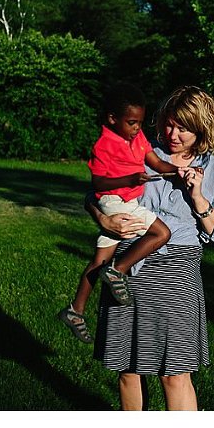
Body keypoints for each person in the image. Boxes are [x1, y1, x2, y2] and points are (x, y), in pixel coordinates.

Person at [87, 85, 214, 411]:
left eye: (183, 128)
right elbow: (95, 192)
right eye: (169, 124)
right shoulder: (138, 152)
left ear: (202, 129)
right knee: (128, 367)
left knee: (175, 372)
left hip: (176, 273)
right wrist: (103, 218)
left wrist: (199, 199)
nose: (172, 134)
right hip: (127, 267)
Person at [58, 83, 180, 343]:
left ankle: (75, 310)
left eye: (140, 123)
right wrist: (129, 179)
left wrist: (178, 171)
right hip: (116, 201)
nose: (137, 128)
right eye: (132, 123)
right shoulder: (104, 144)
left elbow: (157, 163)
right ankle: (119, 270)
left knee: (99, 261)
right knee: (162, 233)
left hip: (123, 201)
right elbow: (98, 183)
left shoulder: (137, 138)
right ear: (112, 118)